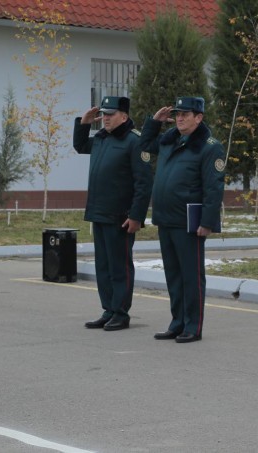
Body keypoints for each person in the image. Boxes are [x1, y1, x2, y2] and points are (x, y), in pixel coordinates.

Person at [139, 96, 225, 343]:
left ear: (199, 118)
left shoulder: (209, 147)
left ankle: (192, 326)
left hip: (189, 221)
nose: (179, 118)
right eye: (177, 114)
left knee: (191, 276)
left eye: (185, 114)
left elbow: (213, 187)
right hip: (166, 219)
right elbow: (144, 144)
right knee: (174, 276)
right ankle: (177, 322)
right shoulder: (169, 141)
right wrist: (154, 122)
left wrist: (207, 222)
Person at [73, 96, 153, 331]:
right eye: (104, 114)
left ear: (124, 116)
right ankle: (108, 309)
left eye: (110, 114)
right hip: (99, 212)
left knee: (120, 267)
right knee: (103, 266)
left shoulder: (135, 142)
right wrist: (84, 123)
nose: (105, 118)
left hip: (121, 216)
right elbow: (80, 146)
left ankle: (121, 312)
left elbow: (144, 183)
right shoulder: (100, 138)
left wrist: (137, 215)